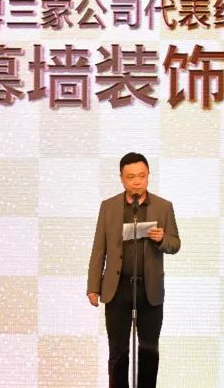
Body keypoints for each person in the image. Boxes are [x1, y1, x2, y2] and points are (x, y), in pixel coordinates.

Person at [87, 152, 181, 388]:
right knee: (118, 352)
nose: (137, 181)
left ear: (148, 175)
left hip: (149, 290)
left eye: (142, 176)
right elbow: (99, 248)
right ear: (121, 178)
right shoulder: (108, 207)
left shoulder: (163, 206)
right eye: (130, 177)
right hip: (117, 289)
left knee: (149, 350)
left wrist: (162, 239)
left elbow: (175, 244)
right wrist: (93, 287)